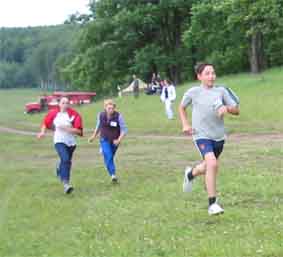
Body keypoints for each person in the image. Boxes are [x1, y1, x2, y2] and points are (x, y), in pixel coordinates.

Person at [179, 63, 240, 215]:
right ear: (199, 76)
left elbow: (236, 110)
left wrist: (227, 108)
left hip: (218, 137)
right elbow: (181, 107)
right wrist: (185, 124)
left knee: (207, 166)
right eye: (207, 73)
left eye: (213, 73)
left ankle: (190, 174)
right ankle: (212, 204)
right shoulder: (193, 92)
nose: (211, 76)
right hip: (200, 135)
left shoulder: (221, 91)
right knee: (213, 164)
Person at [37, 97, 83, 194]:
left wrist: (67, 129)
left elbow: (79, 131)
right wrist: (42, 132)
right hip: (59, 141)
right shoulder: (53, 113)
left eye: (67, 103)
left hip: (71, 143)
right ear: (59, 104)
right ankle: (66, 184)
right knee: (65, 159)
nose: (65, 105)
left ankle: (59, 167)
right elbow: (45, 123)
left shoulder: (74, 115)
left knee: (67, 162)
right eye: (63, 103)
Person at [88, 99, 128, 183]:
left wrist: (119, 140)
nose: (111, 110)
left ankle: (104, 153)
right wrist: (93, 136)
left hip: (115, 140)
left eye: (112, 108)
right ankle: (113, 175)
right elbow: (98, 126)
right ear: (105, 108)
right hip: (104, 139)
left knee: (110, 157)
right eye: (109, 108)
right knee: (109, 155)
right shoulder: (101, 115)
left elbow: (124, 130)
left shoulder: (119, 116)